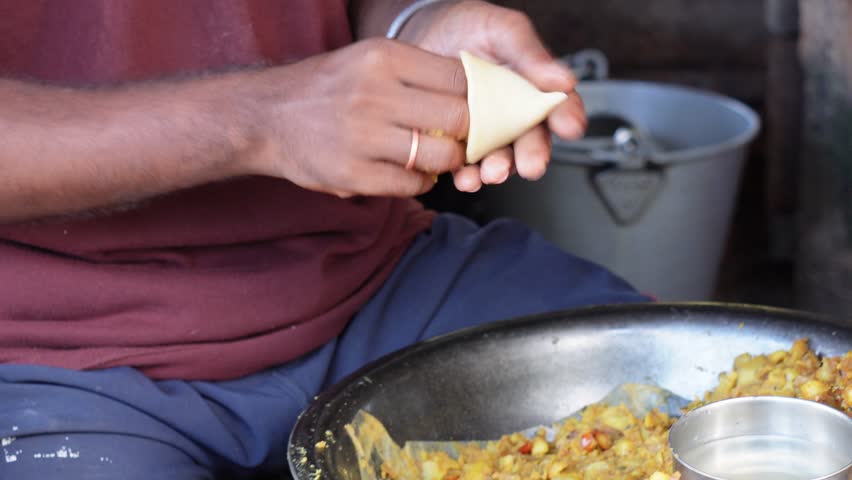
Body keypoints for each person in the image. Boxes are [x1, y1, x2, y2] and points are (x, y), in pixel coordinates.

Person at [0, 0, 647, 478]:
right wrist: (260, 119)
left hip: (376, 278)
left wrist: (411, 32)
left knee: (699, 402)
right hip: (54, 360)